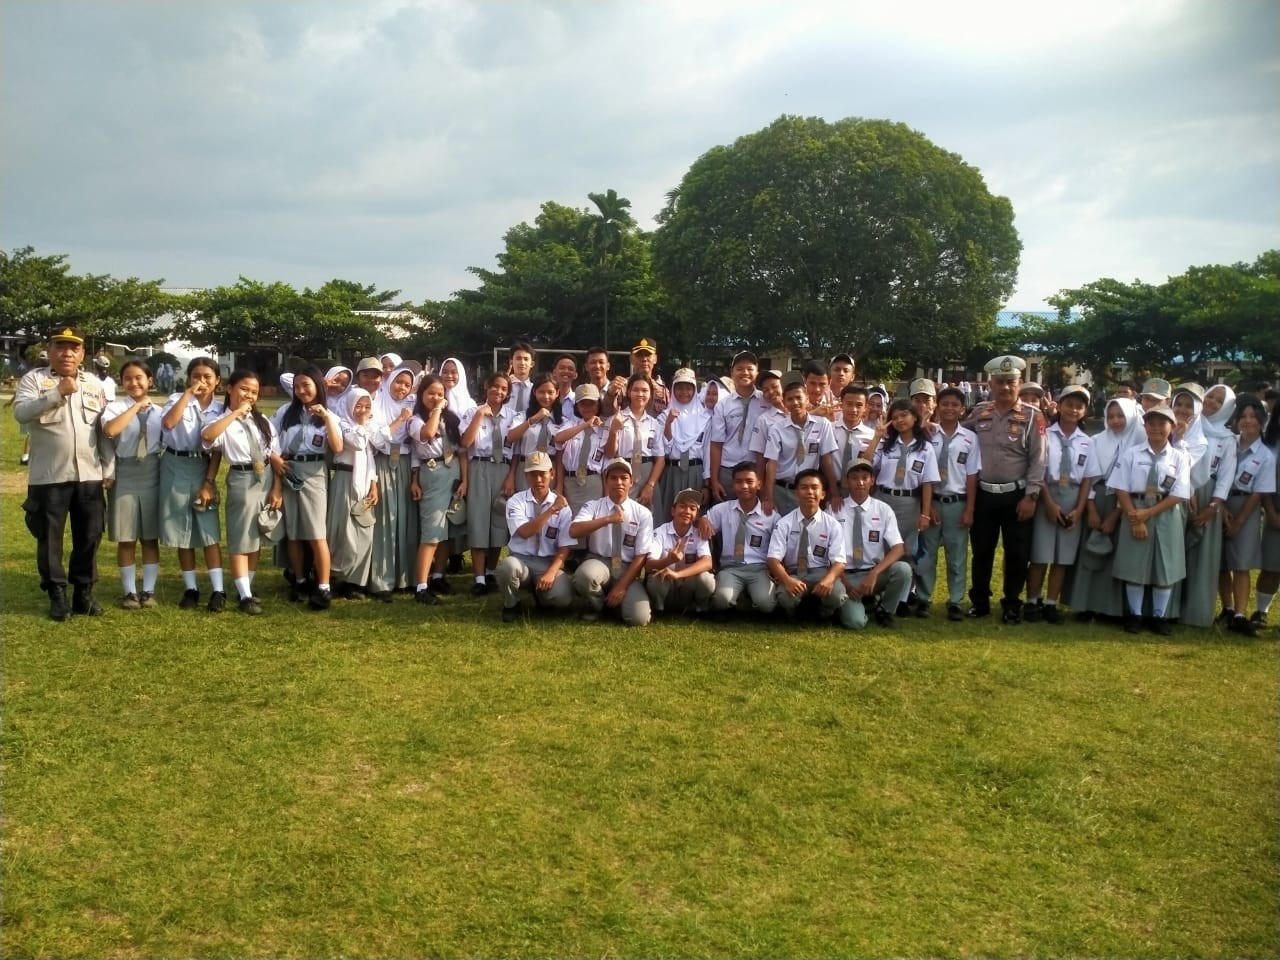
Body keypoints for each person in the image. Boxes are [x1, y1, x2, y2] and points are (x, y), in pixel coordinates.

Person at [13, 327, 110, 620]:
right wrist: (56, 394)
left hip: (89, 475)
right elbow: (21, 413)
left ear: (82, 354)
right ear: (50, 350)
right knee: (49, 538)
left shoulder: (94, 384)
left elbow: (103, 430)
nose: (67, 353)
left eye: (74, 348)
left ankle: (83, 593)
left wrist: (109, 467)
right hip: (49, 476)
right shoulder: (35, 380)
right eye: (61, 347)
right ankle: (57, 594)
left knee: (90, 535)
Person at [963, 354, 1047, 624]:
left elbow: (1039, 459)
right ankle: (980, 601)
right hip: (985, 495)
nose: (1005, 387)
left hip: (1017, 496)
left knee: (1017, 553)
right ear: (991, 383)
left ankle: (1012, 603)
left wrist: (1031, 496)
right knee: (982, 550)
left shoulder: (1033, 417)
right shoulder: (979, 413)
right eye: (1000, 382)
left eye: (1011, 382)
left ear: (1020, 382)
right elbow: (957, 435)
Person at [200, 371, 282, 615]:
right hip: (241, 479)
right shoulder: (222, 420)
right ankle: (245, 596)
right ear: (230, 389)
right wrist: (235, 413)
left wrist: (277, 487)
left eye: (254, 392)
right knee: (240, 537)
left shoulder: (263, 422)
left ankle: (246, 587)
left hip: (265, 478)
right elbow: (207, 437)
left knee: (257, 536)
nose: (249, 395)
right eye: (244, 389)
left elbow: (275, 455)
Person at [1110, 405, 1192, 635]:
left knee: (1165, 565)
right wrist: (1137, 519)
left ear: (1172, 427)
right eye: (1151, 423)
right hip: (1135, 509)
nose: (1156, 428)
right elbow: (1121, 488)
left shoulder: (1179, 457)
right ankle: (1135, 614)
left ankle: (1158, 616)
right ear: (1144, 426)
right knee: (1135, 563)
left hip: (1165, 513)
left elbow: (1179, 493)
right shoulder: (1132, 454)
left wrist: (1149, 513)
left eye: (1162, 423)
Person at [159, 356, 227, 611]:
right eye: (196, 376)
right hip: (175, 464)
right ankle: (191, 588)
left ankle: (219, 590)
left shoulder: (220, 410)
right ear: (188, 378)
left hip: (202, 466)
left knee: (208, 529)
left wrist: (209, 481)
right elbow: (168, 423)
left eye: (208, 377)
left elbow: (217, 451)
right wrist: (187, 395)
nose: (202, 381)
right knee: (181, 528)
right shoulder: (177, 400)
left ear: (217, 381)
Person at [273, 365, 343, 609]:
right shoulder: (286, 412)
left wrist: (326, 418)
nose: (302, 391)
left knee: (316, 532)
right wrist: (275, 461)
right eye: (297, 387)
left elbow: (337, 447)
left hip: (314, 473)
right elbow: (272, 441)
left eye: (307, 385)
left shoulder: (328, 414)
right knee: (293, 532)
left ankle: (323, 586)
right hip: (289, 470)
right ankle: (300, 580)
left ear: (318, 387)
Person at [1069, 398, 1145, 622]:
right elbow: (1089, 478)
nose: (1115, 421)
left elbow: (1132, 483)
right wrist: (1091, 509)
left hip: (1124, 504)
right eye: (1111, 416)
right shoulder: (1097, 441)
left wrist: (1116, 513)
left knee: (1117, 553)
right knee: (1091, 549)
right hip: (1096, 498)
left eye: (1120, 416)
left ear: (1131, 416)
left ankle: (1112, 609)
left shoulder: (1139, 442)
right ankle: (1086, 605)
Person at [1024, 385, 1094, 623]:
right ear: (1059, 406)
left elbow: (1087, 479)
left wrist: (1079, 509)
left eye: (1079, 406)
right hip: (1048, 494)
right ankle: (1033, 600)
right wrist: (1050, 504)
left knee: (1063, 557)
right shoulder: (1045, 434)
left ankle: (1052, 602)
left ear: (1084, 411)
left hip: (1073, 496)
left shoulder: (1087, 441)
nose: (1073, 410)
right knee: (1040, 554)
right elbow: (1039, 471)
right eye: (1069, 404)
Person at [99, 360, 164, 609]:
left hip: (152, 472)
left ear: (150, 381)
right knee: (126, 537)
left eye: (139, 378)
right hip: (125, 472)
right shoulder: (116, 407)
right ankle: (129, 592)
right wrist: (136, 407)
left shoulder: (160, 412)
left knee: (150, 537)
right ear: (121, 382)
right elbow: (110, 431)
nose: (134, 382)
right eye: (128, 378)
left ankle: (148, 590)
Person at [917, 386, 980, 621]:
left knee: (957, 555)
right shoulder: (927, 434)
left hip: (957, 503)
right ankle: (923, 598)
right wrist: (927, 505)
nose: (949, 409)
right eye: (945, 404)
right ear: (937, 407)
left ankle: (955, 600)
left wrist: (970, 508)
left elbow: (972, 475)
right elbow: (922, 471)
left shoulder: (970, 439)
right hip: (932, 502)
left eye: (955, 405)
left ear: (962, 409)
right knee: (927, 553)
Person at [1174, 383, 1233, 628]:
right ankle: (1169, 608)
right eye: (1210, 396)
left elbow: (1227, 474)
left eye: (1219, 401)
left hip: (1209, 495)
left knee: (1203, 556)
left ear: (1227, 407)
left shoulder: (1227, 437)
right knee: (1176, 550)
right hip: (1180, 489)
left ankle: (1196, 613)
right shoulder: (1186, 424)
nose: (1212, 403)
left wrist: (1214, 506)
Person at [873, 398, 939, 615]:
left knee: (907, 550)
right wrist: (877, 436)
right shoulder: (886, 446)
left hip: (910, 502)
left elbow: (927, 483)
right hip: (884, 499)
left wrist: (925, 513)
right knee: (882, 547)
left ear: (915, 418)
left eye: (904, 415)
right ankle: (877, 592)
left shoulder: (925, 448)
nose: (900, 420)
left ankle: (901, 599)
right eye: (895, 416)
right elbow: (866, 465)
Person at [1217, 395, 1276, 636]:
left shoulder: (1266, 455)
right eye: (1243, 416)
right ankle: (1227, 608)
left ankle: (1240, 613)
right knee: (1221, 562)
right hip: (1222, 503)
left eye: (1253, 416)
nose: (1248, 421)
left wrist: (1239, 521)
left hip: (1247, 507)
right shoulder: (1228, 443)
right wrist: (1221, 508)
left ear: (1262, 420)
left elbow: (1260, 492)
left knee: (1241, 564)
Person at [569, 458, 654, 625]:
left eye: (624, 478)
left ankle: (615, 600)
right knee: (584, 576)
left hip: (626, 567)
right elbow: (574, 530)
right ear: (606, 481)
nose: (619, 482)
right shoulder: (593, 506)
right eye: (613, 478)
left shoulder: (643, 513)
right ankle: (600, 606)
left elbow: (641, 556)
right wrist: (608, 519)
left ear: (631, 481)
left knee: (639, 619)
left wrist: (621, 587)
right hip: (599, 562)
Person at [493, 450, 574, 622]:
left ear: (551, 474)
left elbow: (565, 546)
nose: (538, 480)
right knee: (507, 567)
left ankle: (540, 596)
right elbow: (525, 532)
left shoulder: (563, 507)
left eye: (542, 474)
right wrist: (551, 510)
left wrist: (552, 572)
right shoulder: (516, 501)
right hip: (521, 560)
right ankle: (511, 603)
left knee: (563, 598)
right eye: (533, 474)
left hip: (547, 562)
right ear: (526, 476)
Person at [408, 374, 466, 605]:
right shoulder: (416, 420)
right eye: (431, 393)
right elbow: (428, 434)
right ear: (421, 395)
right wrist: (437, 411)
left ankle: (439, 575)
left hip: (452, 471)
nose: (435, 398)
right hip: (432, 473)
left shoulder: (451, 420)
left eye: (440, 394)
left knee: (447, 529)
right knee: (432, 531)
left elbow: (462, 451)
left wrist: (465, 480)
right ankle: (422, 585)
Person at [836, 458, 912, 629]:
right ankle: (853, 604)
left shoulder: (883, 509)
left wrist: (874, 573)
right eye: (854, 478)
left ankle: (884, 610)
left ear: (873, 480)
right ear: (847, 482)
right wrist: (846, 584)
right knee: (855, 623)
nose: (860, 482)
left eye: (865, 477)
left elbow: (898, 548)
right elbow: (828, 553)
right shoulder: (835, 509)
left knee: (903, 569)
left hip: (872, 574)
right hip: (844, 576)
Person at [696, 460, 779, 616]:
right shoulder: (723, 509)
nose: (744, 486)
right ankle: (735, 598)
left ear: (759, 484)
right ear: (733, 485)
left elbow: (780, 546)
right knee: (721, 600)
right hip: (731, 568)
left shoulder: (770, 515)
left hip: (759, 569)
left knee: (766, 605)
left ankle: (749, 598)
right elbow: (703, 521)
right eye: (739, 482)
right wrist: (702, 519)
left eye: (749, 481)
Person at [767, 469, 847, 622]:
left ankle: (823, 613)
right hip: (795, 572)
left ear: (823, 494)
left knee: (837, 594)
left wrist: (829, 579)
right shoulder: (784, 523)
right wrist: (787, 580)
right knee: (785, 596)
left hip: (820, 572)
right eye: (804, 488)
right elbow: (773, 559)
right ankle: (794, 613)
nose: (809, 492)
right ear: (796, 493)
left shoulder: (832, 524)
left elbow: (839, 562)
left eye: (814, 487)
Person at [459, 371, 514, 594]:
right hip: (479, 467)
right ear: (486, 387)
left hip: (502, 468)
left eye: (503, 389)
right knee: (479, 520)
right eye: (495, 387)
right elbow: (465, 443)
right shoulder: (472, 412)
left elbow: (516, 450)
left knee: (499, 521)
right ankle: (479, 578)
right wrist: (479, 416)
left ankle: (491, 571)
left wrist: (511, 476)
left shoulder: (512, 416)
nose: (498, 392)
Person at [369, 361, 419, 600]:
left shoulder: (413, 404)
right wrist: (400, 420)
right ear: (390, 381)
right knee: (385, 523)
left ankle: (405, 577)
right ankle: (382, 581)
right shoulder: (377, 404)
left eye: (407, 384)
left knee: (406, 522)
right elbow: (377, 440)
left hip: (407, 465)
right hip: (384, 463)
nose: (402, 388)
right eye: (399, 382)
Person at [328, 387, 381, 599]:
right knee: (342, 530)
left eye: (367, 406)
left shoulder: (368, 427)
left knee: (364, 530)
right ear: (350, 405)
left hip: (364, 482)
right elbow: (358, 444)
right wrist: (361, 423)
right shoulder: (342, 424)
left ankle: (356, 581)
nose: (363, 410)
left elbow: (370, 457)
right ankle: (334, 575)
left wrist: (374, 484)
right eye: (358, 406)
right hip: (344, 479)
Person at [763, 378, 840, 516]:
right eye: (790, 399)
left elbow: (826, 460)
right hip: (782, 490)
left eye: (799, 398)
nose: (795, 403)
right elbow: (771, 464)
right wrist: (768, 497)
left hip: (808, 492)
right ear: (784, 402)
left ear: (807, 398)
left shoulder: (822, 424)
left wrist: (834, 493)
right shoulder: (777, 429)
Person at [645, 487, 715, 616]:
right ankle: (660, 609)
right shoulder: (660, 532)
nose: (687, 511)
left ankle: (699, 608)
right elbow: (649, 565)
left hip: (687, 584)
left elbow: (707, 562)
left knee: (706, 579)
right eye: (682, 506)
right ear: (673, 510)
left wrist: (679, 574)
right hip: (667, 586)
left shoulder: (699, 533)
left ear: (697, 515)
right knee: (654, 578)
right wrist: (668, 560)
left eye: (692, 508)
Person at [604, 374, 667, 519]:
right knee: (624, 516)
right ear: (628, 392)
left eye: (645, 391)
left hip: (648, 473)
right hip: (624, 470)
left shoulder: (654, 423)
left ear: (650, 394)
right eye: (636, 390)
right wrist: (613, 431)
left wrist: (650, 485)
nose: (640, 394)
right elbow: (609, 453)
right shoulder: (617, 418)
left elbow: (660, 459)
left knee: (651, 519)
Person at [708, 351, 765, 502]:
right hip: (728, 471)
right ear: (732, 373)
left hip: (756, 469)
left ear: (757, 372)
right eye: (739, 369)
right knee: (726, 515)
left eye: (749, 368)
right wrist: (714, 480)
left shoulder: (765, 401)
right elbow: (716, 445)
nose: (745, 372)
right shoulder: (723, 405)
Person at [657, 368, 710, 512]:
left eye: (688, 388)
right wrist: (668, 424)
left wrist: (706, 484)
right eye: (679, 388)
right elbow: (665, 449)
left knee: (693, 516)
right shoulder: (664, 416)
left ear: (694, 390)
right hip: (672, 472)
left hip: (695, 473)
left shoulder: (704, 417)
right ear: (673, 389)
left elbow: (707, 452)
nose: (684, 392)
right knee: (670, 514)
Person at [555, 383, 608, 520]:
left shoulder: (604, 429)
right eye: (583, 404)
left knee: (593, 522)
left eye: (591, 403)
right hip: (570, 482)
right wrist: (585, 424)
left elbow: (608, 459)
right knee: (571, 524)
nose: (587, 407)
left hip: (593, 482)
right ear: (577, 406)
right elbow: (559, 439)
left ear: (598, 404)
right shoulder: (570, 425)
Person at [505, 372, 563, 494]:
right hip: (525, 467)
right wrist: (533, 419)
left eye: (550, 392)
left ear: (557, 393)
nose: (546, 396)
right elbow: (511, 438)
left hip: (548, 470)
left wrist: (559, 485)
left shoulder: (562, 421)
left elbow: (560, 456)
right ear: (534, 392)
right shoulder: (523, 416)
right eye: (541, 392)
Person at [1255, 410, 1280, 629]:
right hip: (1276, 512)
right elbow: (1264, 481)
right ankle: (1261, 612)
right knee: (1272, 566)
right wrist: (1270, 512)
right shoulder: (1271, 443)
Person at [831, 384, 878, 493]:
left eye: (859, 405)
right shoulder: (829, 429)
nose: (853, 409)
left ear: (866, 408)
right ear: (841, 404)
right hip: (831, 487)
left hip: (859, 491)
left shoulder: (872, 436)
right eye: (849, 404)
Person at [627, 338, 669, 415]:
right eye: (639, 355)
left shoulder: (663, 391)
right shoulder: (622, 387)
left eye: (648, 355)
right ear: (631, 359)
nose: (644, 359)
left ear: (655, 359)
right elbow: (608, 413)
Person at [502, 341, 536, 416]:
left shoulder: (536, 389)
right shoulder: (502, 387)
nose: (522, 362)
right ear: (511, 362)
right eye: (518, 358)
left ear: (532, 364)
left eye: (526, 359)